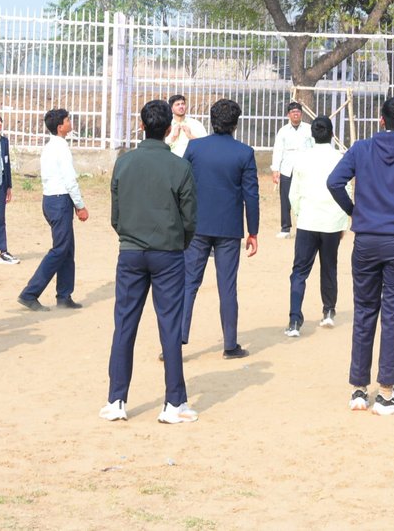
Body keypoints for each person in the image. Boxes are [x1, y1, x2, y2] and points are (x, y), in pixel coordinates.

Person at [327, 95, 394, 415]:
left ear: (381, 119)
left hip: (367, 239)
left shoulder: (361, 149)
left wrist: (354, 211)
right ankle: (386, 392)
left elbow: (334, 182)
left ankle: (359, 388)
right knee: (392, 313)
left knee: (363, 311)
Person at [101, 99, 199, 424]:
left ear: (142, 126)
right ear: (168, 129)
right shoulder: (180, 166)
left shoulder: (124, 163)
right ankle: (173, 404)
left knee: (124, 325)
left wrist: (129, 235)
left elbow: (116, 214)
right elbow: (189, 219)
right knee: (170, 326)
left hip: (130, 251)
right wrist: (178, 243)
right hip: (168, 252)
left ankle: (116, 400)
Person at [180, 98, 260, 359]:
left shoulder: (194, 148)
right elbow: (251, 195)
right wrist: (253, 231)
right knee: (227, 286)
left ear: (212, 121)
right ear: (235, 124)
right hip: (229, 227)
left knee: (188, 283)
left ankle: (177, 339)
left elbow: (183, 186)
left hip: (197, 225)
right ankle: (230, 344)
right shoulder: (244, 152)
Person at [18, 107, 90, 311]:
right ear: (60, 127)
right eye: (67, 120)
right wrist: (80, 205)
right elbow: (69, 180)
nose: (70, 122)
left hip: (51, 199)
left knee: (67, 249)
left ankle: (64, 295)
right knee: (60, 249)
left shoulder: (51, 146)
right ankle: (30, 293)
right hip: (60, 200)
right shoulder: (60, 148)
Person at [284, 115, 348, 337]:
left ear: (312, 134)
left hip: (308, 221)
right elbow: (346, 190)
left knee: (299, 270)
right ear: (332, 134)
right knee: (329, 266)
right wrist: (343, 222)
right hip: (331, 221)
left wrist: (301, 214)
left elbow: (293, 194)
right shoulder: (340, 158)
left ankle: (294, 320)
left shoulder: (301, 158)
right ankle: (329, 311)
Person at [270, 101, 310, 240]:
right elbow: (278, 150)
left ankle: (303, 226)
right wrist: (275, 169)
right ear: (288, 115)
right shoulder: (283, 131)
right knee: (285, 198)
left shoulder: (308, 129)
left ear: (301, 114)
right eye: (293, 112)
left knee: (304, 197)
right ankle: (285, 227)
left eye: (298, 112)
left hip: (304, 167)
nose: (296, 114)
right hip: (287, 167)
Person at [0, 112, 18, 265]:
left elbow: (7, 164)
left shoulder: (4, 141)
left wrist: (8, 186)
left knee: (1, 217)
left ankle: (3, 250)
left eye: (0, 121)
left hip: (1, 183)